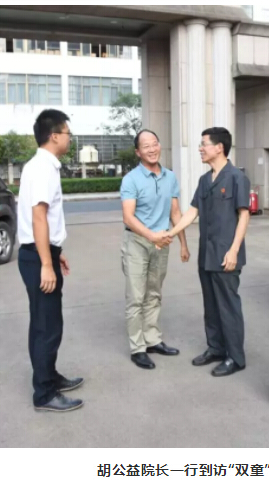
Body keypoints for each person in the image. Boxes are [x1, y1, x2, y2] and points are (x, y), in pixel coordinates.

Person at [17, 109, 84, 413]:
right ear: (54, 136)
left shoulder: (42, 166)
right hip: (37, 256)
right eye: (68, 133)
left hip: (40, 252)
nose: (70, 138)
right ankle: (44, 393)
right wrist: (47, 262)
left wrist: (56, 253)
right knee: (47, 326)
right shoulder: (43, 167)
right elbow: (39, 217)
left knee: (43, 322)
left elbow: (45, 221)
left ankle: (49, 375)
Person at [170, 127, 250, 377]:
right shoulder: (205, 180)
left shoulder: (237, 178)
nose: (200, 148)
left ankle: (235, 357)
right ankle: (216, 348)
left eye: (204, 144)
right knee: (211, 305)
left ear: (219, 147)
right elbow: (192, 212)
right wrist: (170, 234)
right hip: (207, 255)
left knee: (228, 307)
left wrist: (234, 250)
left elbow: (244, 215)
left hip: (226, 256)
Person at [120, 129, 189, 370]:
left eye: (155, 144)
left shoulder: (170, 177)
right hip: (137, 243)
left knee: (154, 294)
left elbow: (175, 213)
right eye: (146, 146)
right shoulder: (131, 179)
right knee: (136, 297)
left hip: (162, 243)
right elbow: (128, 217)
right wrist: (151, 236)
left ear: (160, 146)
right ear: (138, 152)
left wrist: (183, 244)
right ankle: (137, 348)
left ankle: (152, 340)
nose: (152, 149)